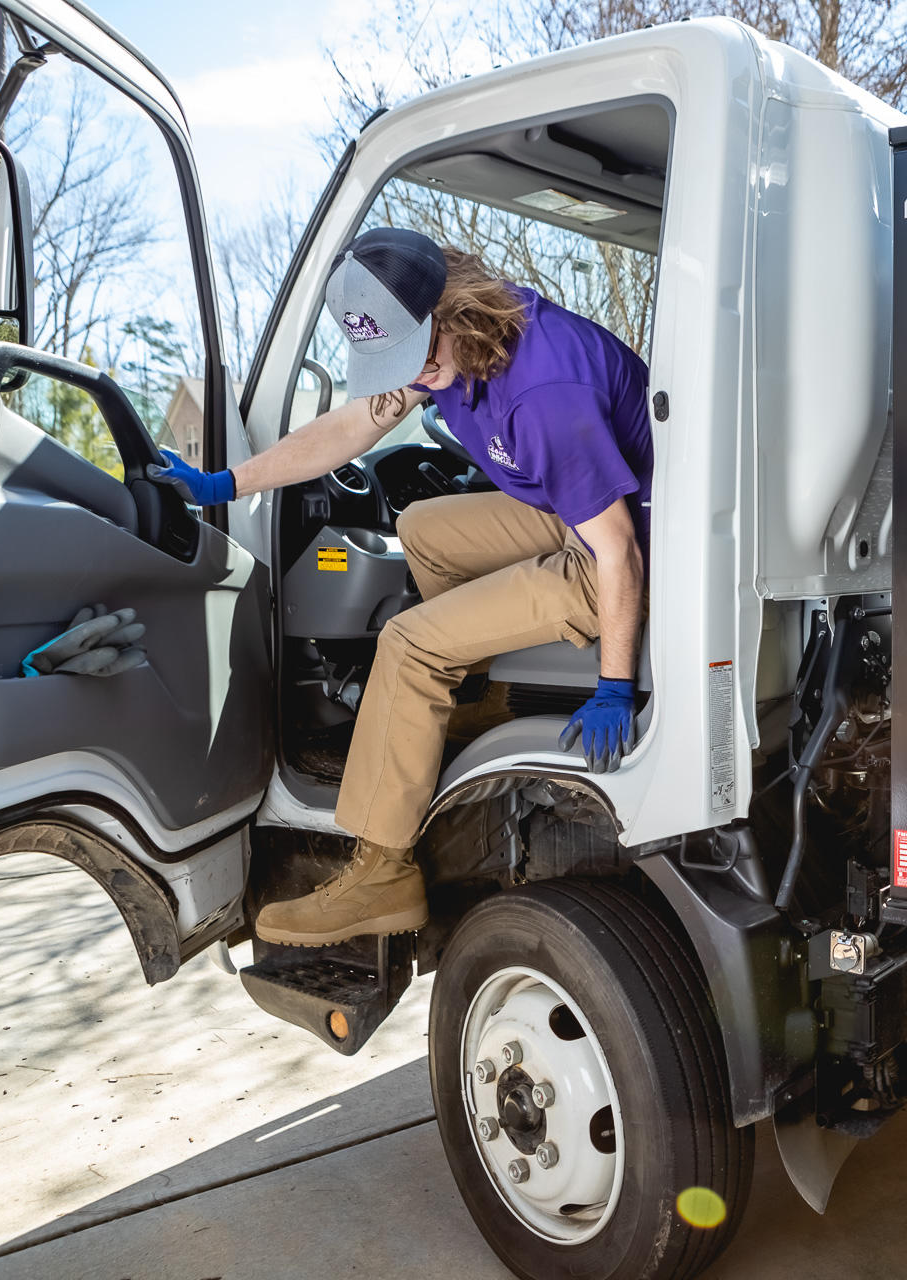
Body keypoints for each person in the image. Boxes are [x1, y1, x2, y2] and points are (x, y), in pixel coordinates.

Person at [152, 227, 652, 946]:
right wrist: (226, 481)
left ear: (452, 311)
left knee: (410, 643)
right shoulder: (450, 351)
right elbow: (348, 429)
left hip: (623, 550)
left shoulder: (544, 393)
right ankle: (480, 706)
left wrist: (614, 685)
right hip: (576, 511)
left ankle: (383, 873)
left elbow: (619, 553)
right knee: (422, 526)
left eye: (418, 353)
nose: (411, 374)